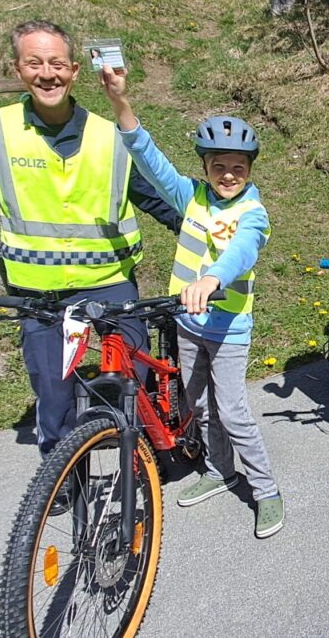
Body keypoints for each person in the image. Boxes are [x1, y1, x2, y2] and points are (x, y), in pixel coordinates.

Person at [0, 20, 180, 457]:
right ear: (18, 69)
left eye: (56, 63)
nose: (47, 74)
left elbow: (155, 198)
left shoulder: (110, 136)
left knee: (134, 380)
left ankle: (140, 461)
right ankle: (62, 473)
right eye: (35, 63)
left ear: (74, 70)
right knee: (53, 393)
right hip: (38, 289)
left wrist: (204, 233)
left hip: (110, 279)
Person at [100, 65, 285, 539]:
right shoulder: (192, 198)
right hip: (188, 324)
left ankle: (266, 491)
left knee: (233, 412)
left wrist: (213, 278)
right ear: (204, 167)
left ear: (250, 171)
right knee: (197, 406)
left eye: (238, 168)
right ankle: (221, 472)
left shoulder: (254, 213)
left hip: (227, 328)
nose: (228, 175)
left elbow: (242, 251)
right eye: (219, 166)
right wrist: (121, 103)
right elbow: (149, 159)